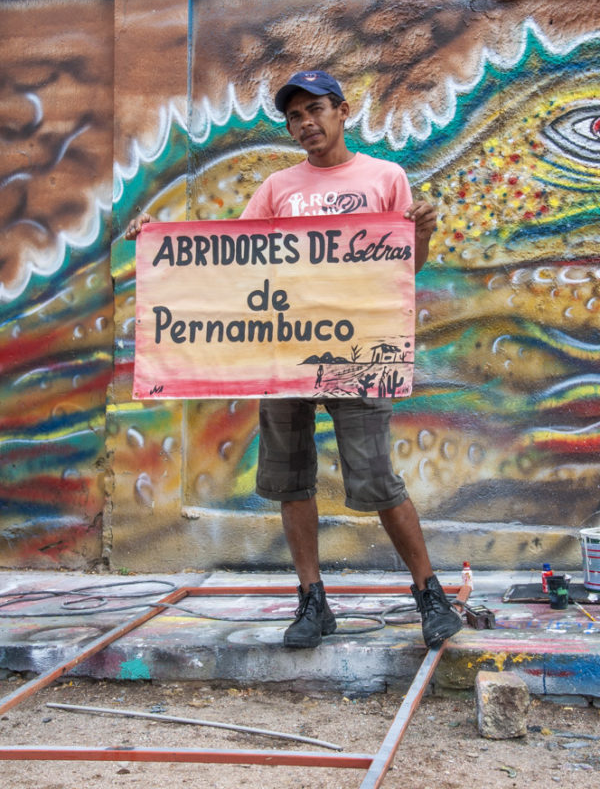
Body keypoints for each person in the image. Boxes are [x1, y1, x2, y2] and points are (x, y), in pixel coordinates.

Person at [126, 70, 462, 650]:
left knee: (378, 478)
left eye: (315, 111)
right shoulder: (279, 187)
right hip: (283, 353)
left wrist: (424, 234)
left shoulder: (386, 177)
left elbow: (404, 271)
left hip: (359, 353)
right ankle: (312, 601)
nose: (305, 123)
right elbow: (229, 262)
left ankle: (429, 594)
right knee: (291, 481)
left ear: (342, 111)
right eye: (294, 116)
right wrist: (160, 245)